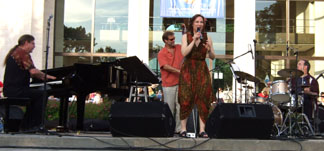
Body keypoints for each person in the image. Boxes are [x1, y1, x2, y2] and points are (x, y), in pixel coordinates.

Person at [3, 34, 56, 131]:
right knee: (42, 95)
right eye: (33, 43)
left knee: (36, 96)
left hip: (10, 89)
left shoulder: (15, 53)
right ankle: (32, 125)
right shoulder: (22, 53)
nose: (34, 46)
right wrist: (49, 77)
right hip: (16, 90)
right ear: (26, 43)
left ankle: (26, 125)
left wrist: (40, 75)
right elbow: (33, 71)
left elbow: (29, 73)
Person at [178, 14, 216, 138]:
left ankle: (202, 130)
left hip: (201, 69)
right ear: (192, 23)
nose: (199, 24)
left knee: (203, 97)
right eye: (197, 21)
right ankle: (183, 129)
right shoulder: (185, 36)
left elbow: (212, 56)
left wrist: (209, 49)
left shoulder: (207, 37)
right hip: (188, 69)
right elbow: (184, 52)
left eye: (201, 22)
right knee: (185, 98)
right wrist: (194, 40)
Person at [158, 31, 183, 134]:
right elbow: (165, 67)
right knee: (170, 108)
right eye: (171, 39)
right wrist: (180, 71)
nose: (173, 41)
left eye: (174, 38)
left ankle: (179, 129)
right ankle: (169, 129)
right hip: (168, 84)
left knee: (180, 107)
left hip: (181, 83)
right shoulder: (161, 53)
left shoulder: (179, 47)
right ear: (165, 41)